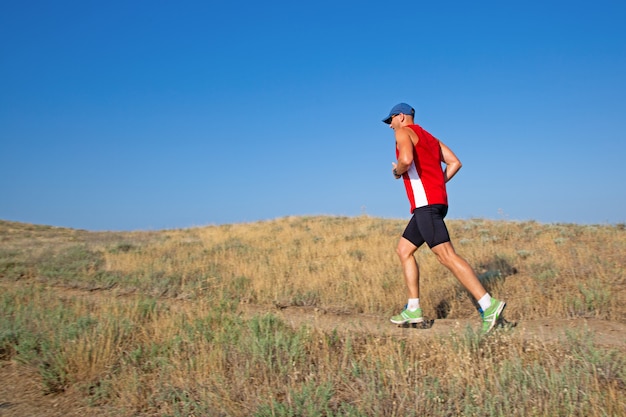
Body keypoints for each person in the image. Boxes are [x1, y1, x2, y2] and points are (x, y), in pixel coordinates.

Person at [382, 102, 506, 334]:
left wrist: (396, 172)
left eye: (390, 120)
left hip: (426, 206)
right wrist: (437, 184)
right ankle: (413, 308)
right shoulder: (430, 138)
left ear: (400, 116)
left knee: (446, 256)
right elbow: (455, 162)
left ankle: (489, 305)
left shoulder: (402, 132)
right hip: (433, 203)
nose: (390, 126)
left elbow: (406, 160)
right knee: (404, 250)